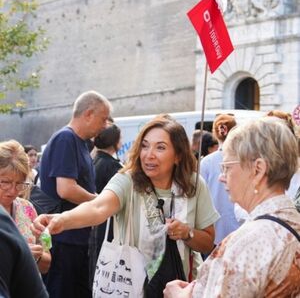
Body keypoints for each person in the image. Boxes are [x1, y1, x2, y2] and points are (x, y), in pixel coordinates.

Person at [32, 116, 219, 296]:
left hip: (178, 288)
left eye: (160, 147)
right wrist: (61, 220)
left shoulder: (194, 184)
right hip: (128, 287)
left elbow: (208, 242)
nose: (149, 155)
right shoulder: (127, 180)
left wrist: (187, 233)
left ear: (178, 155)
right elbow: (98, 208)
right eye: (145, 146)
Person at [164, 117, 300, 297]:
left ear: (257, 169)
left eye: (227, 167)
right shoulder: (292, 223)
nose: (221, 177)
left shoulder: (248, 242)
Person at [39, 90, 111, 298]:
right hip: (64, 238)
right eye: (103, 118)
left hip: (76, 237)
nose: (105, 125)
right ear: (88, 114)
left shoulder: (80, 143)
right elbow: (66, 189)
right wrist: (98, 201)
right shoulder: (66, 139)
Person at [0, 140, 51, 274]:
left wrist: (36, 257)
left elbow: (47, 262)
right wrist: (19, 253)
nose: (12, 191)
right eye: (5, 182)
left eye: (19, 184)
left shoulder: (27, 208)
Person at [88, 123, 123, 288]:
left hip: (94, 222)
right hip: (108, 224)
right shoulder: (113, 166)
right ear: (115, 142)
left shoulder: (94, 160)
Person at [200, 114, 241, 245]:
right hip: (238, 228)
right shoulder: (244, 159)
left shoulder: (206, 162)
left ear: (214, 133)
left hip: (213, 231)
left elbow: (199, 196)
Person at [0, 205, 48, 298]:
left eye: (19, 188)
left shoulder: (27, 207)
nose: (12, 191)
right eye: (4, 188)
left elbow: (47, 264)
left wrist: (34, 256)